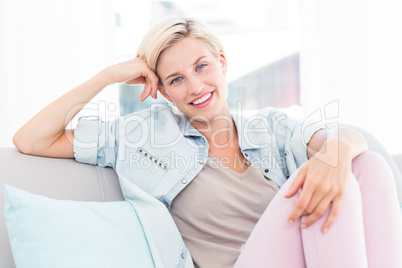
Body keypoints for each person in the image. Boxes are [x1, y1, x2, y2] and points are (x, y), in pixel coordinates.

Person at [13, 17, 402, 268]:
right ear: (163, 91)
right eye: (177, 79)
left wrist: (336, 154)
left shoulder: (271, 127)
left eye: (201, 66)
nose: (196, 86)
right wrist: (107, 76)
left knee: (365, 165)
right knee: (318, 187)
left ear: (222, 63)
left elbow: (348, 142)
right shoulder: (141, 136)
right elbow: (31, 139)